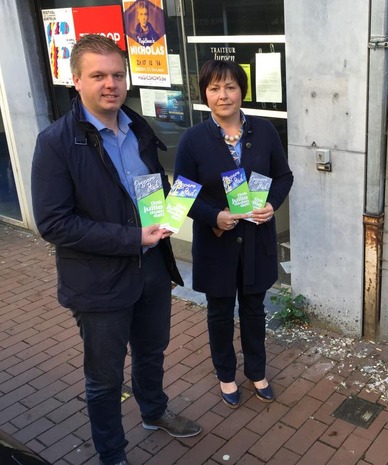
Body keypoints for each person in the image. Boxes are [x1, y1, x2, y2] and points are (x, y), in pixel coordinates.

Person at [31, 34, 201, 465]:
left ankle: (154, 411)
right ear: (76, 81)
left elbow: (144, 191)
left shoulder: (137, 127)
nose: (111, 83)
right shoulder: (55, 142)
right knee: (104, 378)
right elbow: (53, 223)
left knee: (151, 350)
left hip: (151, 269)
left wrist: (168, 210)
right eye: (99, 75)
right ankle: (112, 454)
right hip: (98, 282)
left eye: (118, 74)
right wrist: (130, 238)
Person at [174, 60, 293, 408]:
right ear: (205, 94)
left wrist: (272, 204)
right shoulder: (193, 140)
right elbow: (181, 197)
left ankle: (257, 371)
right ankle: (226, 374)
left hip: (257, 242)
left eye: (230, 87)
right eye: (214, 88)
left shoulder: (264, 131)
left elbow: (284, 177)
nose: (223, 95)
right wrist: (214, 215)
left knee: (255, 310)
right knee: (220, 313)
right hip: (217, 244)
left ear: (242, 91)